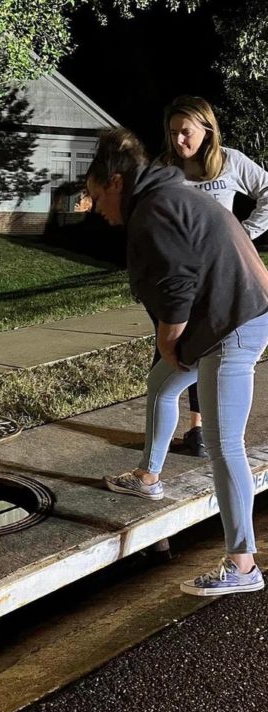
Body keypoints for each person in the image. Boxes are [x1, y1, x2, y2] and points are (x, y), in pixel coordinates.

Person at [86, 127, 268, 597]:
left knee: (224, 443)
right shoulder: (167, 192)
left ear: (117, 183)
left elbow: (177, 282)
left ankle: (243, 564)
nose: (97, 209)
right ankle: (148, 477)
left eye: (96, 195)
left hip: (233, 323)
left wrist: (170, 341)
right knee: (162, 384)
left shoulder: (155, 208)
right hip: (227, 312)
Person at [155, 95, 268, 457]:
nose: (178, 141)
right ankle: (158, 455)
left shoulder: (231, 161)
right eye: (172, 133)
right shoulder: (166, 167)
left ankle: (199, 432)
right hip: (180, 279)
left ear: (206, 130)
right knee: (172, 357)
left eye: (185, 133)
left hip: (223, 278)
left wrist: (245, 232)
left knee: (202, 352)